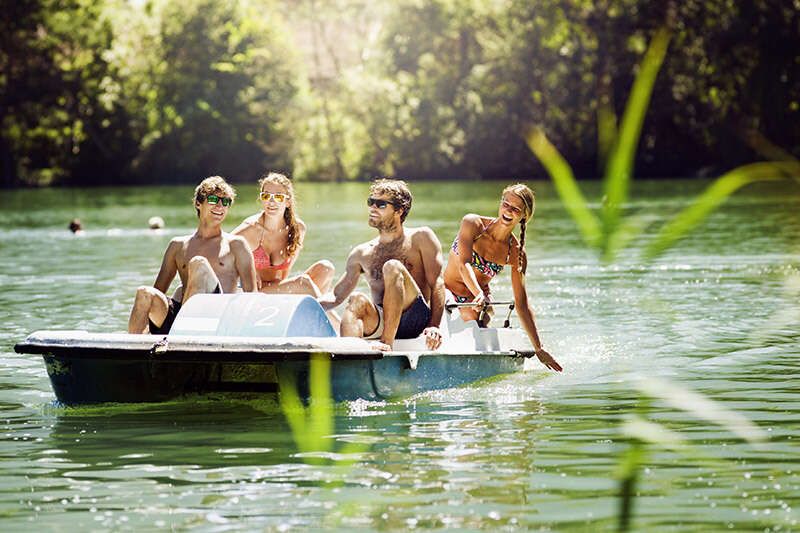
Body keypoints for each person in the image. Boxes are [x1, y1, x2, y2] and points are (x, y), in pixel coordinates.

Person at [443, 183, 562, 372]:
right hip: (447, 292)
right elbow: (463, 264)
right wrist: (478, 294)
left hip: (478, 303)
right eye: (506, 204)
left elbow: (521, 303)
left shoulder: (515, 253)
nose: (508, 210)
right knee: (469, 314)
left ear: (524, 216)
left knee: (477, 316)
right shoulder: (473, 224)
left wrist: (538, 348)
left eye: (516, 209)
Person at [319, 179, 444, 351]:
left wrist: (435, 326)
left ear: (399, 210)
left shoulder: (421, 238)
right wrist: (303, 303)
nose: (373, 208)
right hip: (381, 319)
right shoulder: (361, 253)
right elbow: (336, 296)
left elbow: (437, 283)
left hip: (415, 319)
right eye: (371, 202)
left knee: (392, 266)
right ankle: (349, 356)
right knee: (356, 300)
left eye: (381, 204)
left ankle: (386, 345)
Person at [128, 176, 257, 334]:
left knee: (198, 264)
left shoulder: (236, 245)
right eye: (213, 199)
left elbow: (252, 295)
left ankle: (182, 338)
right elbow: (159, 292)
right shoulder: (177, 246)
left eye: (225, 202)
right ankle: (134, 349)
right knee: (144, 293)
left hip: (217, 319)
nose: (220, 206)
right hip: (180, 317)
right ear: (198, 203)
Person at [231, 172, 334, 296]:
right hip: (256, 293)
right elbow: (220, 252)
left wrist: (289, 288)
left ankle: (317, 310)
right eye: (266, 196)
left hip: (280, 289)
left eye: (278, 197)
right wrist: (246, 272)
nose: (271, 202)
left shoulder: (298, 229)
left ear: (288, 202)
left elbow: (286, 272)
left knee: (326, 268)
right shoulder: (250, 229)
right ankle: (325, 313)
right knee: (303, 282)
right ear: (261, 198)